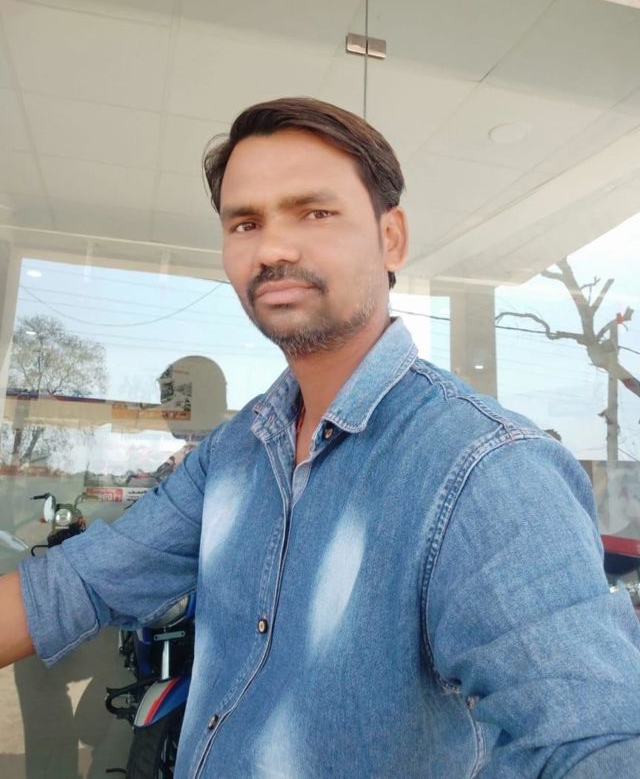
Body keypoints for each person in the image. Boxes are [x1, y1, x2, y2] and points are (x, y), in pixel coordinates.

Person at [2, 97, 640, 778]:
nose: (273, 248)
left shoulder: (486, 469)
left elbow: (591, 742)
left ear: (391, 238)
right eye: (246, 222)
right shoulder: (236, 453)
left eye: (314, 212)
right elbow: (75, 585)